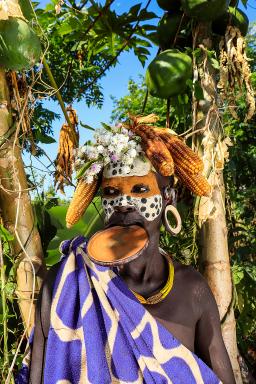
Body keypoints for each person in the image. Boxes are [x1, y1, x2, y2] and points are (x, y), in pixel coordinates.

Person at [17, 116, 235, 383]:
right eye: (110, 192)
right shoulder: (66, 285)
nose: (123, 203)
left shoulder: (193, 290)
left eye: (140, 189)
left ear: (168, 198)